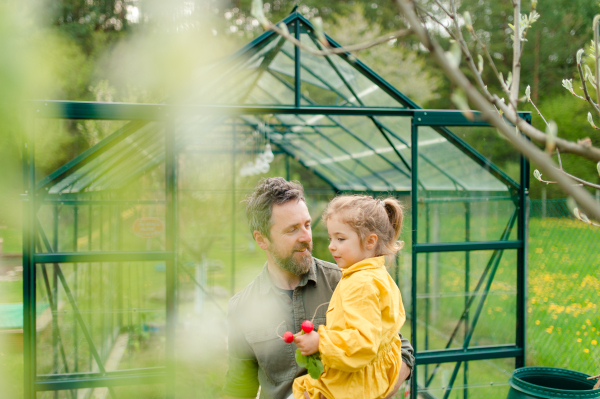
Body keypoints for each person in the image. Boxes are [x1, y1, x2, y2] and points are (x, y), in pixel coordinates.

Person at [223, 178, 413, 399]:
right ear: (262, 239)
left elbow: (400, 350)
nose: (306, 237)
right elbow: (239, 388)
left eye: (307, 224)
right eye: (292, 230)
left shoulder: (347, 281)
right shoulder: (242, 307)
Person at [292, 195, 406, 399]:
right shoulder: (375, 275)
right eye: (330, 238)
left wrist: (320, 342)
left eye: (341, 238)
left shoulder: (361, 284)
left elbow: (363, 342)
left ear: (370, 241)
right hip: (369, 376)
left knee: (301, 392)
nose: (331, 246)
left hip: (356, 383)